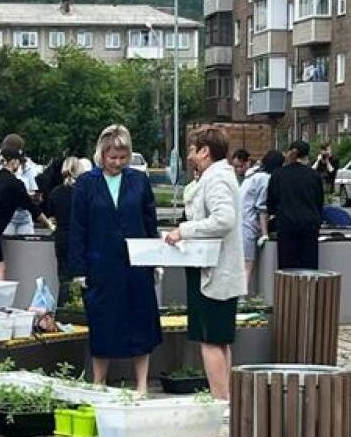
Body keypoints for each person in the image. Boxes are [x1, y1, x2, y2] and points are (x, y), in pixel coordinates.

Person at [69, 125, 162, 394]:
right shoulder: (86, 183)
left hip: (136, 265)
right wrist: (79, 269)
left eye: (123, 157)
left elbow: (149, 222)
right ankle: (99, 382)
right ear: (101, 155)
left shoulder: (139, 180)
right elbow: (78, 228)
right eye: (112, 158)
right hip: (100, 266)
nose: (118, 163)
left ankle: (142, 384)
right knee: (102, 323)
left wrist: (154, 259)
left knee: (141, 322)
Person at [165, 127, 245, 401]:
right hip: (214, 270)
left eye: (191, 149)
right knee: (218, 340)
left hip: (212, 272)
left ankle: (220, 402)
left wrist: (185, 230)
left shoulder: (216, 179)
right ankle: (226, 399)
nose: (189, 156)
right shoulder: (217, 176)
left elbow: (224, 220)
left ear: (205, 151)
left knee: (210, 341)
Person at [0, 147, 54, 281]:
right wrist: (49, 224)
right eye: (19, 161)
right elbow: (33, 209)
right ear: (13, 162)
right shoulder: (15, 184)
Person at [266, 140, 325, 269]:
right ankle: (309, 289)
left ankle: (288, 289)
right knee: (309, 266)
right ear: (306, 156)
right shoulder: (314, 175)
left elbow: (271, 202)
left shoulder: (278, 174)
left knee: (287, 267)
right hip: (309, 226)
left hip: (286, 225)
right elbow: (319, 201)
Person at [44, 156, 88, 306]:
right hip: (80, 238)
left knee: (63, 280)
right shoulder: (83, 193)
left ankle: (62, 310)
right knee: (84, 278)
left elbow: (50, 215)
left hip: (61, 238)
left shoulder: (55, 193)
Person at [239, 149, 283, 286]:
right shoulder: (265, 179)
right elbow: (262, 208)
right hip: (247, 225)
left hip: (239, 222)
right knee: (247, 265)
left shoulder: (252, 176)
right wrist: (264, 234)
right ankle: (240, 300)